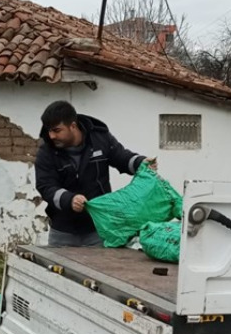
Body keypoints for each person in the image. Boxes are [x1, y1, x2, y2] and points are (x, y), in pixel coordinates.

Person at [35, 101, 156, 247]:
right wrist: (69, 200)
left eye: (56, 130)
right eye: (49, 131)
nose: (51, 135)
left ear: (72, 126)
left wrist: (140, 162)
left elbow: (121, 157)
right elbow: (46, 186)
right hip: (62, 232)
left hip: (99, 229)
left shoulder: (100, 138)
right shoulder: (46, 152)